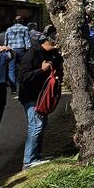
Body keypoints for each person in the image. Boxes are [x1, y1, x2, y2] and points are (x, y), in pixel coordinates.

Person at [17, 38, 63, 169]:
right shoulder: (32, 53)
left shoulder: (52, 53)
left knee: (42, 125)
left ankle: (36, 156)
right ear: (51, 40)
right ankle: (29, 160)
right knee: (36, 125)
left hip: (42, 96)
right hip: (31, 96)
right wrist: (41, 70)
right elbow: (23, 77)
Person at [3, 15, 31, 92]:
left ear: (14, 21)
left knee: (11, 68)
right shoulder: (25, 28)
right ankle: (23, 85)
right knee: (23, 67)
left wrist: (6, 48)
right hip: (21, 49)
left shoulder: (9, 29)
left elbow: (6, 42)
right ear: (22, 21)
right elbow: (27, 40)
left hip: (11, 50)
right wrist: (29, 49)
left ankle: (13, 88)